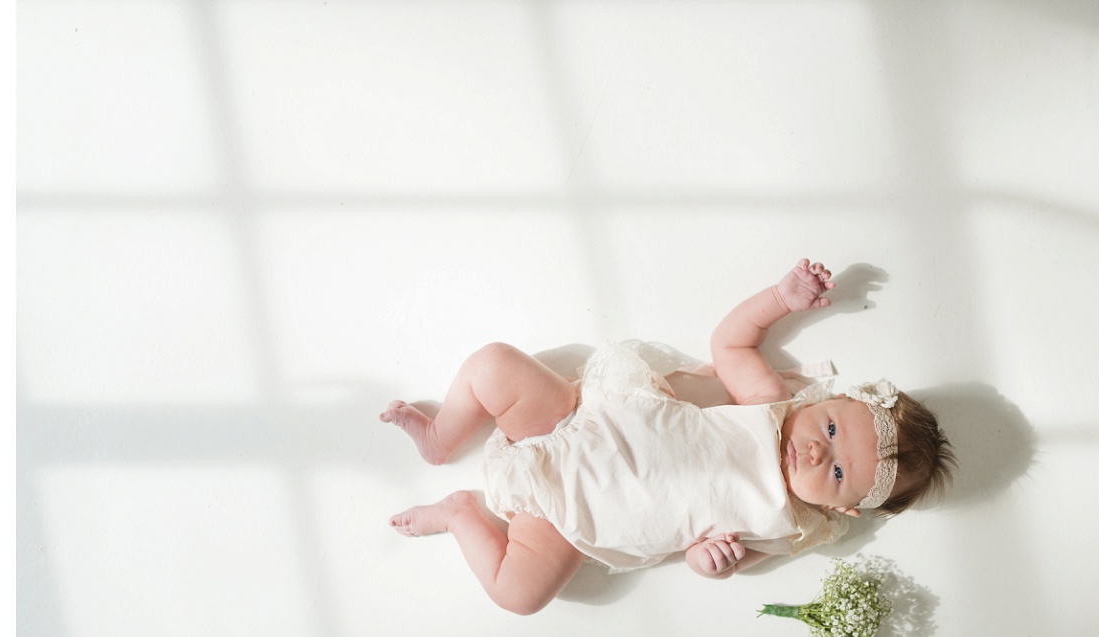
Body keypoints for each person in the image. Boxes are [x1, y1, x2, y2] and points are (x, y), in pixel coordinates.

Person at [381, 259, 956, 614]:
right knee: (492, 364)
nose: (813, 450)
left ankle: (459, 515)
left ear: (845, 510)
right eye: (829, 429)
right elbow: (730, 343)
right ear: (825, 401)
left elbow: (728, 562)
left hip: (576, 520)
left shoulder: (788, 527)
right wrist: (782, 298)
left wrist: (714, 562)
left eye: (834, 471)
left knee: (519, 594)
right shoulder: (768, 405)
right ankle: (439, 438)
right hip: (578, 428)